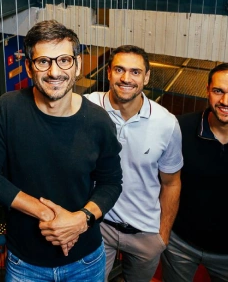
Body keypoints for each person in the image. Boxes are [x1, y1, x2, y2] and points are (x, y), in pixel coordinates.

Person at [0, 20, 122, 281]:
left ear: (77, 64)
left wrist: (80, 220)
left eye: (64, 60)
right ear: (29, 67)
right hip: (25, 263)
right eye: (43, 62)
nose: (54, 71)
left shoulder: (98, 121)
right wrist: (47, 214)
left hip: (85, 261)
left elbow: (111, 183)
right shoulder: (7, 109)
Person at [161, 63, 228, 282]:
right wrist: (164, 232)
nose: (226, 101)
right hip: (180, 245)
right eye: (219, 91)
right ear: (208, 90)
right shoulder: (178, 129)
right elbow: (161, 182)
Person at [85, 45, 182, 281]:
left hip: (145, 233)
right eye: (119, 69)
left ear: (146, 77)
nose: (126, 78)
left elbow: (171, 183)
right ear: (109, 72)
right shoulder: (86, 107)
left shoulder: (166, 123)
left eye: (135, 72)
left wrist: (162, 236)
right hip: (98, 225)